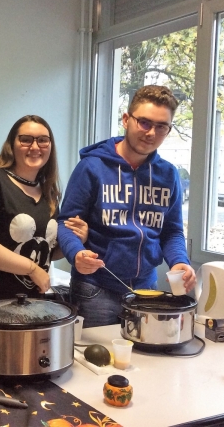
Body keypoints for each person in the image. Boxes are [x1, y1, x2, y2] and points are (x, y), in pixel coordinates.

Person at [57, 85, 196, 328]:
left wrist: (179, 261)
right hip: (95, 288)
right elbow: (66, 223)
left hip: (146, 289)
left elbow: (171, 231)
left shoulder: (168, 174)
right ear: (126, 119)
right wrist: (76, 254)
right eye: (144, 122)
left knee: (144, 361)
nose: (151, 132)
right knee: (94, 361)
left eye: (161, 126)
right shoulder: (92, 167)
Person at [0, 115, 86, 313]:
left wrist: (76, 239)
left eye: (43, 140)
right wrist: (32, 269)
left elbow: (49, 251)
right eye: (26, 139)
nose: (35, 147)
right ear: (11, 144)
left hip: (32, 306)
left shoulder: (48, 192)